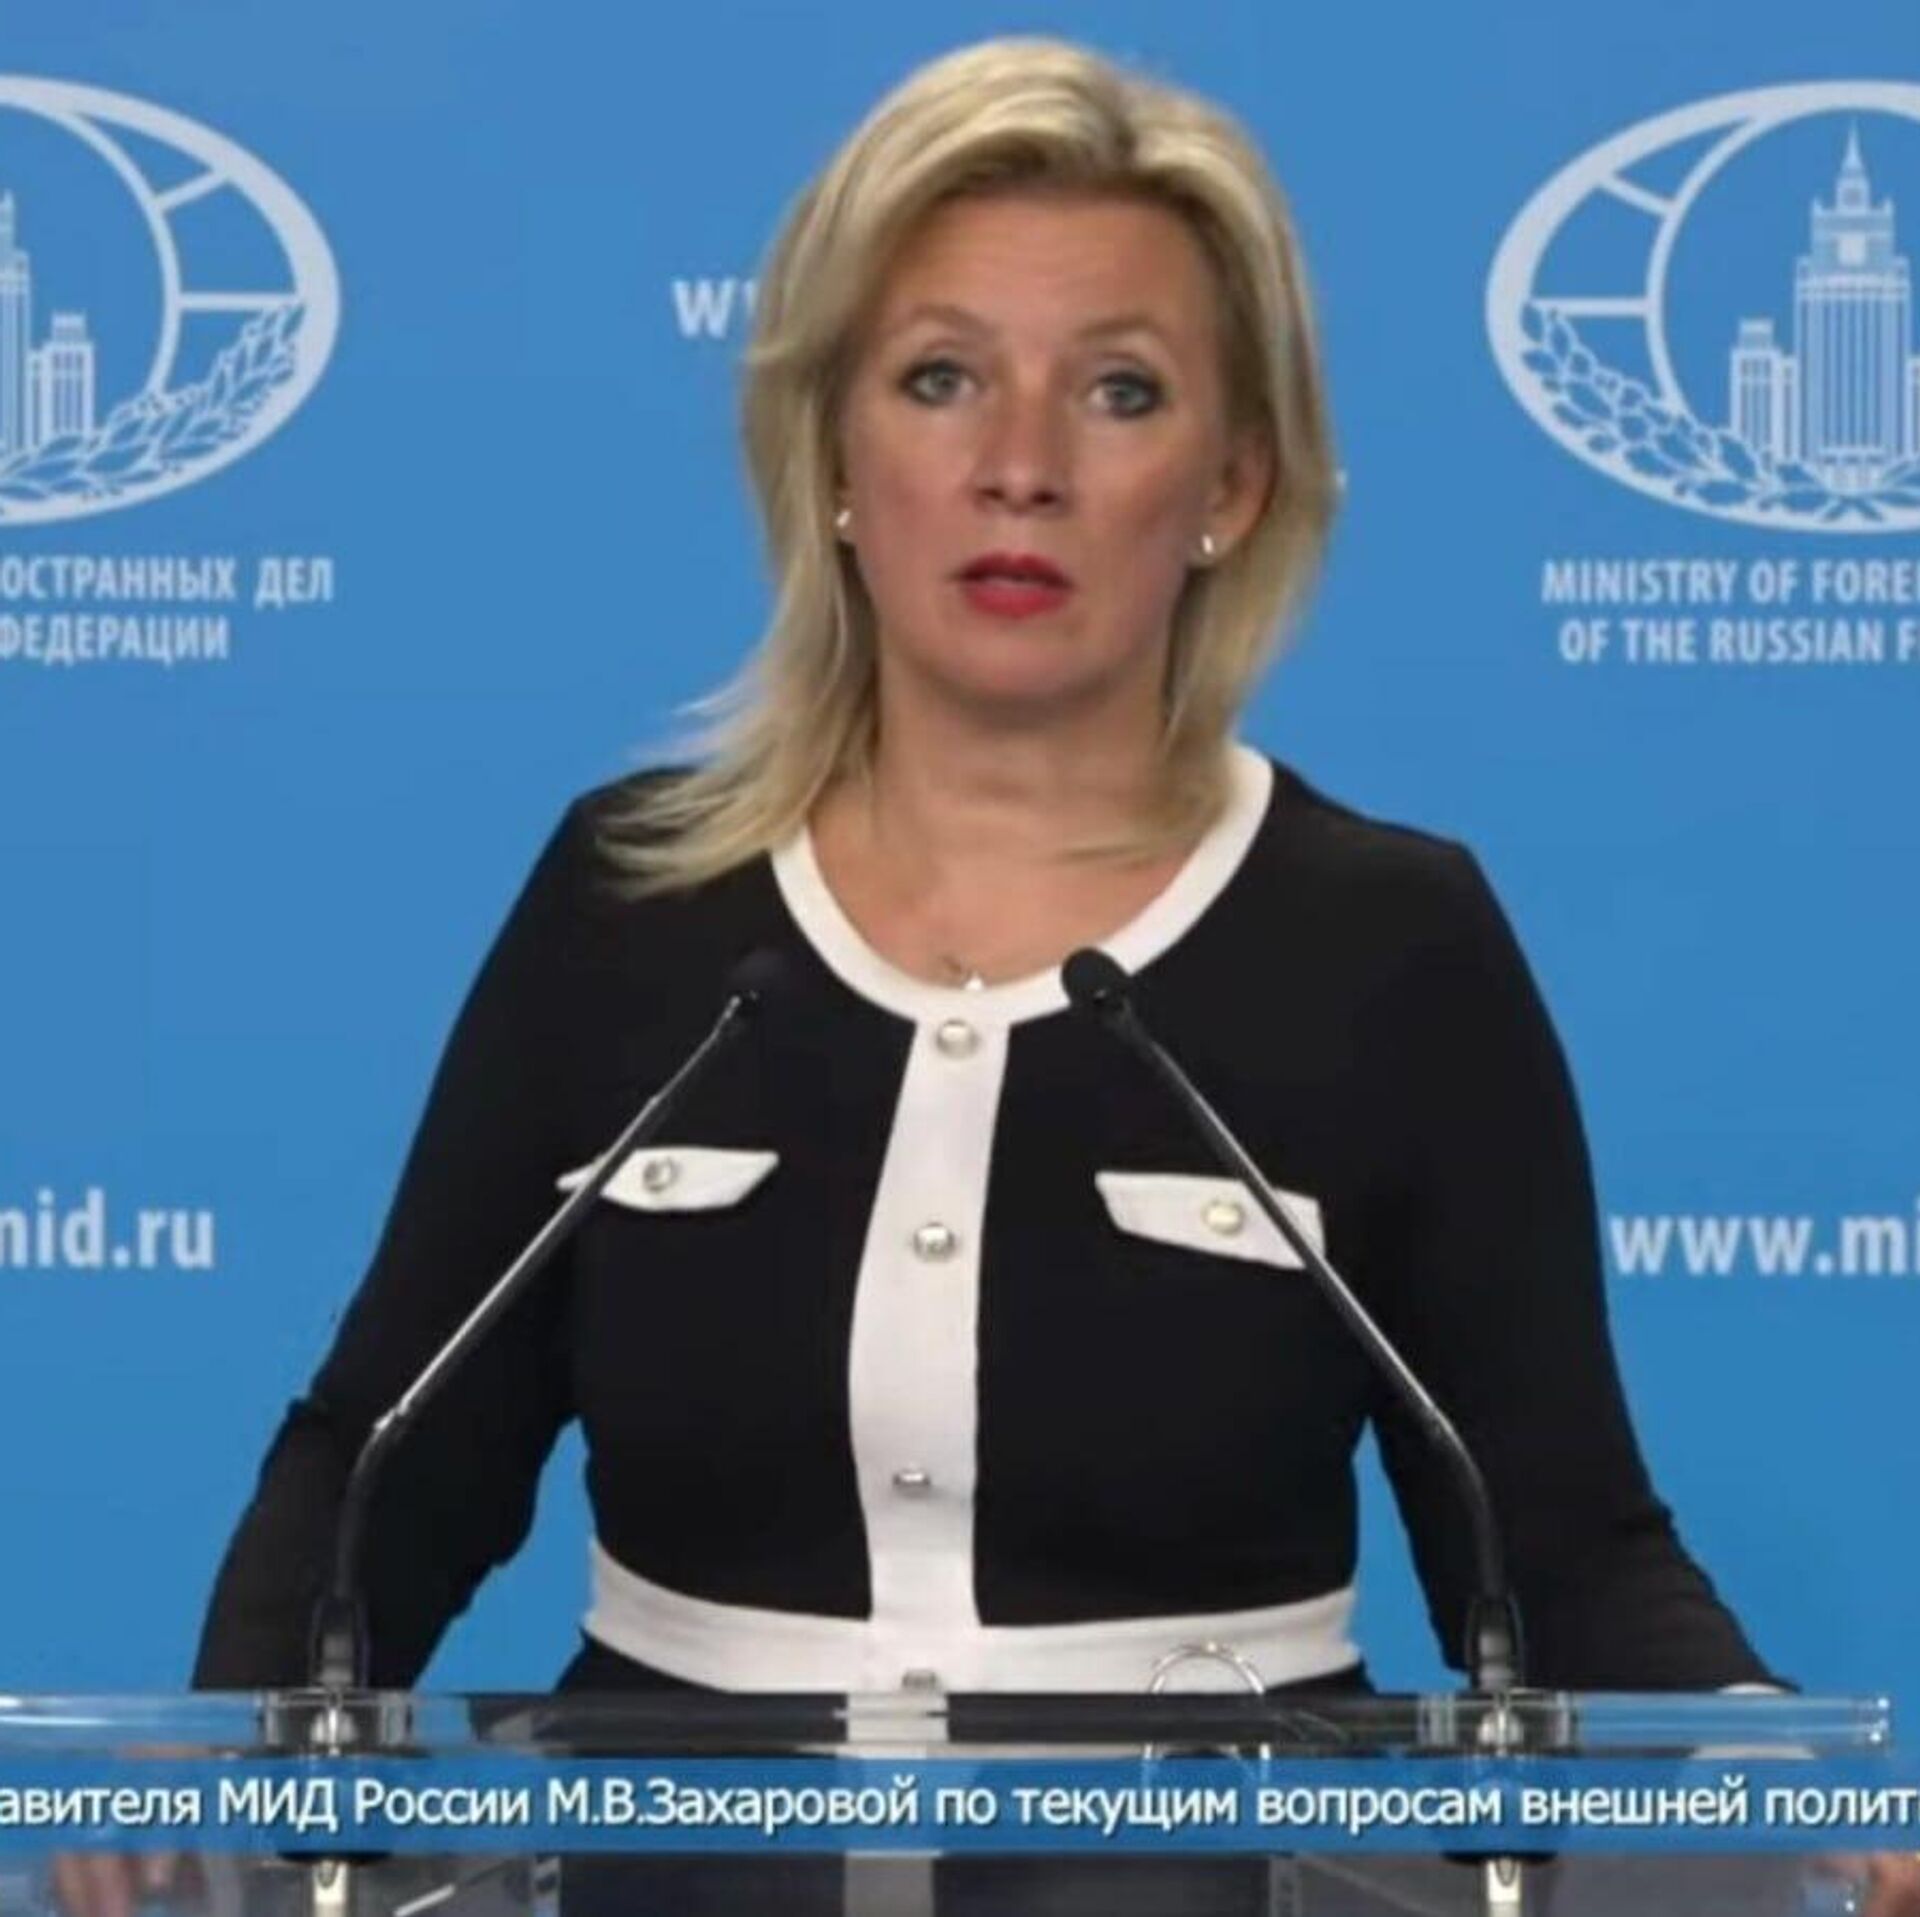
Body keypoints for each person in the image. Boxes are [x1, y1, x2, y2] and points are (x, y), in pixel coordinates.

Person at [58, 33, 1920, 1917]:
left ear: (1233, 482)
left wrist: (1789, 1777)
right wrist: (219, 1745)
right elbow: (384, 1464)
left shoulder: (1391, 943)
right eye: (940, 378)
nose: (1019, 467)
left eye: (1119, 391)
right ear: (833, 455)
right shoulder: (631, 905)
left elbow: (1568, 1543)